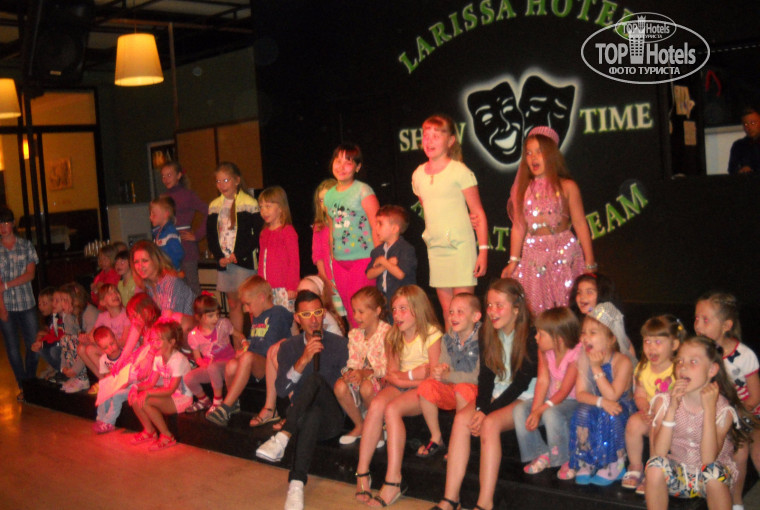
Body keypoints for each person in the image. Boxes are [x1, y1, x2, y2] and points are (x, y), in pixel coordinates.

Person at [431, 278, 536, 510]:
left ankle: (484, 503)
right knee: (461, 419)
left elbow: (520, 383)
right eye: (489, 305)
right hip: (497, 394)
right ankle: (451, 499)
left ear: (516, 309)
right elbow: (486, 377)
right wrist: (480, 407)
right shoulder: (488, 332)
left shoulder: (530, 335)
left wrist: (487, 411)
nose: (492, 311)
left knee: (489, 424)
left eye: (499, 305)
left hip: (525, 396)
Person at [254, 290, 348, 510]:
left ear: (324, 313)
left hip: (332, 418)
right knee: (311, 414)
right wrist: (303, 360)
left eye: (317, 312)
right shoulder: (289, 347)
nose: (313, 320)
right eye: (306, 315)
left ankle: (283, 437)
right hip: (305, 419)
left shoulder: (340, 344)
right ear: (297, 318)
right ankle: (296, 485)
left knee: (315, 380)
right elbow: (281, 390)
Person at [645, 337, 759, 509]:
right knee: (654, 466)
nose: (683, 367)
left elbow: (708, 458)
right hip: (680, 474)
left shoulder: (723, 410)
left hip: (711, 479)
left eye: (693, 362)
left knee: (713, 474)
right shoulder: (664, 401)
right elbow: (659, 452)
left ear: (712, 370)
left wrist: (709, 410)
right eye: (680, 361)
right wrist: (672, 408)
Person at [356, 285, 442, 507]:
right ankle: (362, 471)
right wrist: (409, 377)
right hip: (405, 384)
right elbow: (391, 376)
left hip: (424, 390)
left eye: (403, 309)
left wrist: (405, 380)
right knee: (377, 404)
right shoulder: (393, 335)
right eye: (394, 310)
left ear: (418, 309)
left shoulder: (432, 333)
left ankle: (393, 480)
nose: (397, 315)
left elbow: (434, 378)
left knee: (392, 409)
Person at [502, 126, 595, 316]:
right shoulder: (523, 189)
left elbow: (580, 223)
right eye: (529, 153)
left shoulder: (567, 186)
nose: (533, 157)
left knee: (566, 308)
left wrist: (590, 262)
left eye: (539, 151)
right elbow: (518, 227)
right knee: (537, 310)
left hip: (563, 253)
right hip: (534, 256)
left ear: (551, 154)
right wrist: (513, 261)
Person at [412, 114, 488, 328]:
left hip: (460, 248)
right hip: (437, 248)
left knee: (463, 311)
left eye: (436, 136)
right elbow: (430, 209)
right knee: (448, 313)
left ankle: (471, 351)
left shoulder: (460, 171)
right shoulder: (418, 175)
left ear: (451, 141)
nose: (429, 141)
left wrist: (483, 251)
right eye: (426, 135)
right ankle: (452, 351)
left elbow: (478, 212)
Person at [694, 291, 760, 510]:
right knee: (727, 447)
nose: (698, 325)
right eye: (696, 318)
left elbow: (755, 396)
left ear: (726, 326)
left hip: (747, 415)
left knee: (747, 449)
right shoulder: (699, 353)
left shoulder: (744, 355)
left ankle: (737, 500)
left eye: (705, 320)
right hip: (713, 416)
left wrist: (735, 415)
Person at [206, 275, 292, 427]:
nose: (246, 309)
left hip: (273, 367)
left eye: (248, 304)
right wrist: (244, 351)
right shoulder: (258, 316)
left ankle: (225, 407)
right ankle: (233, 403)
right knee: (231, 365)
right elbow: (255, 343)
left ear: (261, 297)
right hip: (258, 365)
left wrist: (246, 354)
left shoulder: (278, 313)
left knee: (247, 358)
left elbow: (268, 347)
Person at [567, 302, 635, 485]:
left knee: (609, 413)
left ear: (611, 339)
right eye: (583, 333)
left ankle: (615, 462)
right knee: (582, 411)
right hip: (601, 404)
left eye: (593, 333)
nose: (585, 338)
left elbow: (612, 397)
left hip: (621, 408)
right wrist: (600, 402)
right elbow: (581, 394)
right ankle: (587, 459)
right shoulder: (585, 358)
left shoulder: (622, 361)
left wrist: (596, 368)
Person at [514, 306, 581, 474]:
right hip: (552, 400)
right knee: (520, 410)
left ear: (558, 338)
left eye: (541, 334)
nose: (536, 337)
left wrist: (541, 410)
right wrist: (535, 410)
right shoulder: (544, 350)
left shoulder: (576, 354)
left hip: (572, 402)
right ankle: (541, 452)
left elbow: (564, 391)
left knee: (551, 413)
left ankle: (566, 458)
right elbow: (543, 381)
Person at [621, 315, 684, 493]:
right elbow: (640, 395)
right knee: (633, 423)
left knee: (657, 426)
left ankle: (654, 472)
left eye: (658, 342)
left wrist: (658, 415)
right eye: (647, 341)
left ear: (674, 345)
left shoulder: (678, 369)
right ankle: (635, 466)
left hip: (674, 421)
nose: (651, 347)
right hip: (652, 417)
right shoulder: (642, 369)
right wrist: (645, 409)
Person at [416, 292, 481, 459]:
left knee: (462, 389)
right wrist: (439, 371)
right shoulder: (448, 338)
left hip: (475, 392)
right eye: (451, 312)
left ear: (475, 316)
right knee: (426, 387)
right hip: (453, 386)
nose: (453, 316)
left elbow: (478, 377)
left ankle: (459, 443)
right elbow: (443, 365)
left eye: (460, 312)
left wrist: (448, 376)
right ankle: (436, 437)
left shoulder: (484, 339)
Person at [324, 143, 379, 328]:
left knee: (363, 310)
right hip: (340, 262)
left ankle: (370, 345)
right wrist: (332, 260)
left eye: (348, 162)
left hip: (363, 260)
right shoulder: (329, 196)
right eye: (338, 161)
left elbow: (376, 226)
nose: (341, 167)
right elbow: (332, 229)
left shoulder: (363, 190)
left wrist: (378, 257)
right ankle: (356, 344)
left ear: (357, 167)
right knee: (349, 310)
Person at [207, 161, 263, 334]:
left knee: (251, 304)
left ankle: (256, 339)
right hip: (225, 263)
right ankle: (238, 342)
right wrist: (219, 257)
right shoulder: (214, 205)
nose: (222, 185)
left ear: (237, 180)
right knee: (233, 304)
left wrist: (238, 254)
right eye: (218, 181)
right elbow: (211, 236)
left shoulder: (249, 203)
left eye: (226, 180)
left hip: (243, 262)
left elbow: (257, 235)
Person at [333, 286, 390, 445]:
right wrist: (350, 372)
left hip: (383, 380)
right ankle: (360, 425)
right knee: (339, 386)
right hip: (362, 378)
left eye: (361, 312)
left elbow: (387, 368)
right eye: (354, 311)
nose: (356, 316)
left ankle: (378, 430)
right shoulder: (355, 334)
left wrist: (365, 373)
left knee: (366, 387)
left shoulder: (387, 333)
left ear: (377, 311)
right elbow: (352, 361)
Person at [128, 318, 192, 451]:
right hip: (169, 395)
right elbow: (151, 382)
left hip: (182, 398)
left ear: (171, 342)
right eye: (152, 340)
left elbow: (171, 389)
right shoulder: (158, 357)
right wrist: (136, 387)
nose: (153, 344)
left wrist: (147, 393)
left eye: (158, 341)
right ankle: (149, 431)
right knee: (135, 398)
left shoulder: (178, 360)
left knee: (145, 401)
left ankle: (167, 436)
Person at [184, 293, 243, 414]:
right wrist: (203, 364)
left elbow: (239, 335)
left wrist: (244, 343)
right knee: (189, 378)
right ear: (199, 317)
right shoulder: (194, 335)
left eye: (217, 314)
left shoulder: (223, 324)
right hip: (211, 367)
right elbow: (197, 358)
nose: (216, 318)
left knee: (213, 368)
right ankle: (204, 400)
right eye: (211, 316)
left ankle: (218, 401)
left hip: (227, 364)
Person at [130, 240, 194, 341]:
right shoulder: (145, 286)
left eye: (144, 261)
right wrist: (127, 352)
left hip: (192, 335)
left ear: (155, 260)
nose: (140, 266)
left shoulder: (170, 280)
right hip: (171, 335)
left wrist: (148, 345)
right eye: (136, 262)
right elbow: (137, 323)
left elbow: (166, 321)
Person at [160, 161, 208, 295]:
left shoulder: (188, 195)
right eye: (163, 176)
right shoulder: (163, 198)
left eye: (169, 175)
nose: (166, 179)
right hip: (168, 245)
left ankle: (198, 309)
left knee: (192, 285)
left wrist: (198, 235)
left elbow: (209, 212)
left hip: (185, 244)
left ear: (179, 175)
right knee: (173, 286)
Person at [366, 205, 417, 319]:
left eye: (380, 223)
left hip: (403, 301)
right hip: (384, 300)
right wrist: (386, 264)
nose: (376, 227)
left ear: (394, 229)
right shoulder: (378, 251)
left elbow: (400, 274)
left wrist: (383, 262)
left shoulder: (405, 249)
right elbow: (369, 274)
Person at [258, 186, 300, 309]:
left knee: (286, 317)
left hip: (284, 288)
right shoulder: (264, 233)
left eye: (268, 206)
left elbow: (294, 261)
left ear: (281, 208)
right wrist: (260, 284)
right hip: (267, 288)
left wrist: (292, 286)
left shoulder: (287, 231)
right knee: (271, 316)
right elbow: (261, 261)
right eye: (261, 207)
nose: (264, 211)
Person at [311, 178, 346, 319]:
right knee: (335, 316)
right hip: (330, 279)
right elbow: (318, 255)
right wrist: (325, 279)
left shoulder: (346, 223)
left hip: (345, 276)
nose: (325, 204)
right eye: (321, 200)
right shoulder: (319, 226)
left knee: (352, 314)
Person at [92, 326, 128, 434]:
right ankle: (101, 419)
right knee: (103, 392)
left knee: (116, 395)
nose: (110, 349)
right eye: (105, 348)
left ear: (116, 338)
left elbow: (129, 376)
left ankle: (109, 423)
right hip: (115, 384)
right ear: (101, 349)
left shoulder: (125, 355)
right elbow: (106, 375)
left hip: (127, 385)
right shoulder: (103, 359)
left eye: (112, 343)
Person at [150, 196, 184, 270]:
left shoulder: (170, 234)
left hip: (169, 272)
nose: (150, 217)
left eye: (154, 214)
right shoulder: (157, 233)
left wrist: (170, 269)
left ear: (166, 214)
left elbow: (178, 254)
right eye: (150, 214)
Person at [727, 106, 760, 174]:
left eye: (753, 123)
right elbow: (732, 170)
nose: (749, 127)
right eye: (746, 124)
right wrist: (740, 171)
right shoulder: (738, 145)